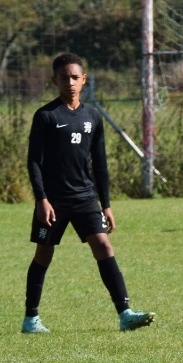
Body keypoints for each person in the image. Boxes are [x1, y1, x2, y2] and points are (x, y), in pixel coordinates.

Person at [23, 53, 155, 334]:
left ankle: (125, 314)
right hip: (54, 200)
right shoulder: (46, 115)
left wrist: (106, 204)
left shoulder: (92, 117)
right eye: (64, 78)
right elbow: (34, 160)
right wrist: (41, 199)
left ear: (84, 79)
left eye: (75, 77)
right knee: (44, 254)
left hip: (85, 197)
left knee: (104, 246)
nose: (69, 82)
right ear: (54, 80)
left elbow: (100, 164)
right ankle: (30, 319)